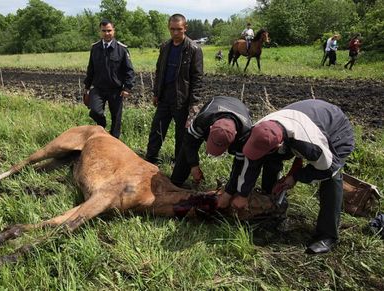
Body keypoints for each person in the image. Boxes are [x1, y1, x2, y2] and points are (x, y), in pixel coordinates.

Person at [227, 99, 355, 254]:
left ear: (279, 145)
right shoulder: (260, 129)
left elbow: (326, 169)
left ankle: (327, 235)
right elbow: (252, 161)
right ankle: (272, 207)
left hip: (335, 129)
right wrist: (243, 193)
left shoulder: (311, 145)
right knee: (269, 158)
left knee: (332, 179)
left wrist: (295, 177)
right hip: (301, 120)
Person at [145, 14, 204, 164]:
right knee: (157, 129)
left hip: (182, 98)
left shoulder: (194, 49)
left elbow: (197, 78)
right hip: (165, 96)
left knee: (181, 134)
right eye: (172, 29)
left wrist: (193, 104)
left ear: (185, 28)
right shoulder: (165, 47)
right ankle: (150, 159)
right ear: (168, 28)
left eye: (179, 29)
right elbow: (159, 71)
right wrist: (156, 93)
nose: (175, 33)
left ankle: (178, 162)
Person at [170, 96, 252, 187]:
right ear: (210, 128)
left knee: (239, 171)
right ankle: (176, 182)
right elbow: (189, 143)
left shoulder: (244, 136)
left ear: (235, 136)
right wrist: (194, 165)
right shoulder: (203, 119)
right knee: (188, 147)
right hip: (217, 102)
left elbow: (239, 166)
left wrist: (229, 191)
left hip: (240, 108)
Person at [83, 19, 135, 139]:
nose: (107, 33)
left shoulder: (121, 49)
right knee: (95, 112)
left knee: (116, 119)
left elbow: (129, 71)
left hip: (115, 90)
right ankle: (102, 128)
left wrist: (127, 88)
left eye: (109, 30)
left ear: (114, 31)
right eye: (104, 31)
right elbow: (91, 69)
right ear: (100, 31)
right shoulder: (95, 48)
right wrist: (86, 88)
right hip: (98, 88)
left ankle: (114, 140)